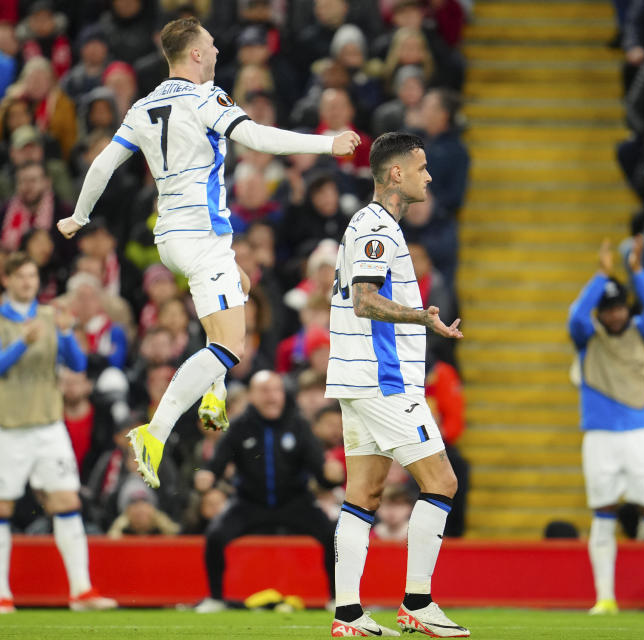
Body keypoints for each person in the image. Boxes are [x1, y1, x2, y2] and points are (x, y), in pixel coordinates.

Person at [55, 16, 359, 490]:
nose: (217, 51)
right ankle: (154, 433)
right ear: (194, 53)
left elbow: (102, 163)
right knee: (230, 345)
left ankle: (213, 394)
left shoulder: (143, 104)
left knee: (241, 285)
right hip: (200, 236)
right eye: (212, 45)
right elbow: (256, 137)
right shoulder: (205, 98)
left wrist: (78, 216)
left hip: (173, 238)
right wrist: (327, 144)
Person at [326, 131, 467, 637]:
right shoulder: (376, 229)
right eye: (422, 166)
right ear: (395, 173)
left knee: (362, 494)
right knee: (443, 482)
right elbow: (364, 300)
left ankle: (347, 615)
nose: (429, 175)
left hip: (356, 376)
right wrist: (420, 318)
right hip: (381, 380)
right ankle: (418, 603)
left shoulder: (373, 227)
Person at [0, 251, 115, 613]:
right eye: (21, 277)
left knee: (67, 501)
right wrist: (23, 341)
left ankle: (81, 590)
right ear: (6, 280)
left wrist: (67, 334)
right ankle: (2, 594)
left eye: (32, 277)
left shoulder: (51, 316)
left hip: (50, 425)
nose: (27, 284)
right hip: (8, 427)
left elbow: (78, 364)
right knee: (0, 506)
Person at [568, 239, 644, 616]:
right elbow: (575, 317)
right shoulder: (588, 338)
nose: (615, 315)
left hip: (638, 434)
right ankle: (605, 597)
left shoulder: (643, 331)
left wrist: (636, 270)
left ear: (625, 308)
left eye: (618, 308)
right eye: (608, 310)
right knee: (603, 514)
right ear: (600, 314)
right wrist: (601, 276)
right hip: (599, 436)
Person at [192, 371, 339, 613]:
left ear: (283, 394)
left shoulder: (299, 425)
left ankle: (337, 599)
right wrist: (206, 477)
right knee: (216, 535)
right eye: (264, 391)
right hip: (249, 504)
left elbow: (320, 473)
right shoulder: (239, 427)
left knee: (333, 536)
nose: (271, 397)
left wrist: (332, 477)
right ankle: (216, 598)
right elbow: (215, 466)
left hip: (295, 502)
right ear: (252, 396)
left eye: (276, 390)